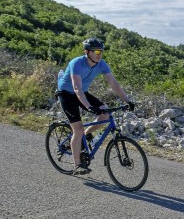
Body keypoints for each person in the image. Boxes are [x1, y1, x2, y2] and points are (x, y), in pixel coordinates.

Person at [56, 38, 134, 175]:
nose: (99, 54)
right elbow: (76, 87)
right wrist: (88, 106)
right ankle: (78, 165)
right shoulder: (77, 63)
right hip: (67, 94)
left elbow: (113, 82)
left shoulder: (101, 64)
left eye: (101, 51)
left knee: (105, 114)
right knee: (78, 129)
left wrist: (127, 100)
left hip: (82, 92)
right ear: (87, 52)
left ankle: (85, 136)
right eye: (96, 51)